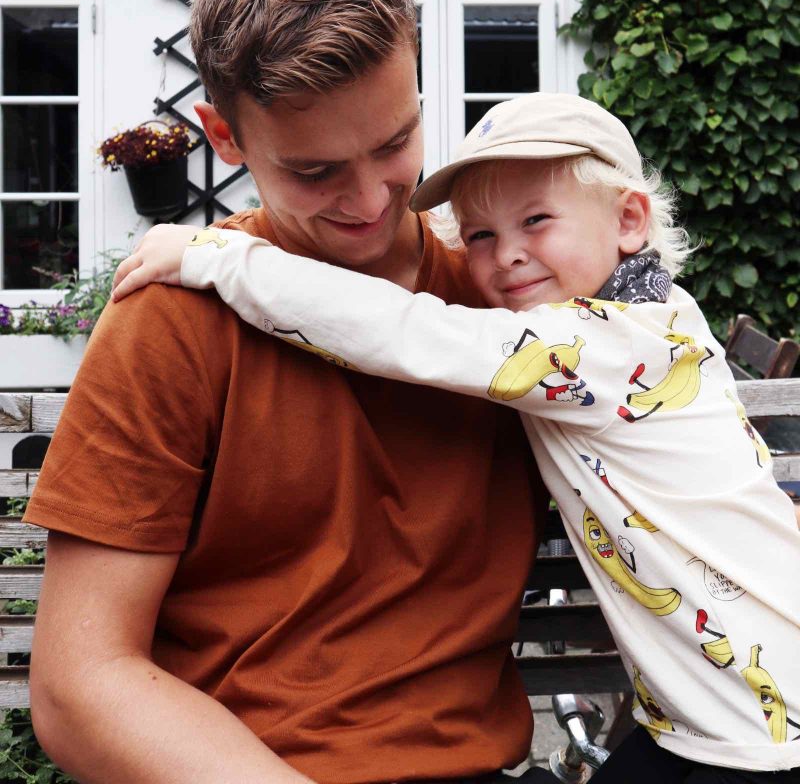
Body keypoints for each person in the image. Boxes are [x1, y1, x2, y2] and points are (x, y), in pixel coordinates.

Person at [114, 93, 800, 782]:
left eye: (536, 220)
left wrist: (217, 256)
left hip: (763, 727)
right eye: (480, 236)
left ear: (628, 221)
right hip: (700, 721)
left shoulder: (610, 346)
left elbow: (404, 330)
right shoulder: (657, 315)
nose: (508, 256)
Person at [24, 0, 549, 784]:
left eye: (396, 143)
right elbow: (81, 684)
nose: (370, 199)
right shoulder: (172, 320)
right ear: (223, 136)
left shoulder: (507, 302)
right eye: (314, 172)